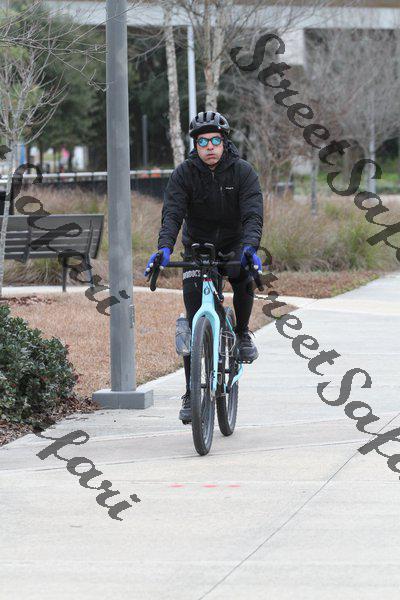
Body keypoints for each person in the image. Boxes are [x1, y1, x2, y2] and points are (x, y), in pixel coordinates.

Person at [145, 111, 264, 422]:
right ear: (195, 145)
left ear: (224, 142)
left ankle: (241, 333)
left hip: (235, 243)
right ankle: (190, 391)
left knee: (242, 274)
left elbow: (253, 214)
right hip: (198, 247)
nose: (209, 147)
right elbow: (172, 214)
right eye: (202, 142)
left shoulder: (243, 172)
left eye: (215, 141)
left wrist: (250, 247)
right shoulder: (184, 174)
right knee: (193, 314)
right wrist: (164, 248)